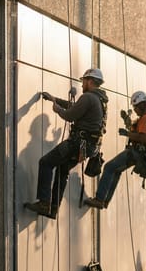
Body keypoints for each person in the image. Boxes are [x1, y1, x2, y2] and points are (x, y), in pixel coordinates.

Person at [24, 68, 108, 218]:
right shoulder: (100, 100)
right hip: (87, 147)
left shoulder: (88, 97)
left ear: (89, 81)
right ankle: (53, 208)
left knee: (46, 162)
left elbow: (70, 115)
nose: (82, 85)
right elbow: (76, 108)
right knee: (62, 169)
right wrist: (55, 99)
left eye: (83, 82)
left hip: (77, 143)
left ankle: (44, 203)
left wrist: (57, 109)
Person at [83, 90, 146, 209]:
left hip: (136, 153)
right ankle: (105, 201)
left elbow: (142, 137)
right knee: (116, 170)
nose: (135, 110)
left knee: (109, 167)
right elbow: (138, 130)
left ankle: (99, 199)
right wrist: (128, 122)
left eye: (136, 108)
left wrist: (127, 134)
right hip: (141, 154)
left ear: (142, 105)